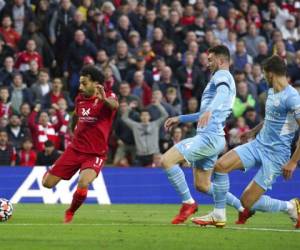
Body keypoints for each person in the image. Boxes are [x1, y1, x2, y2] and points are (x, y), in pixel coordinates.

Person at [192, 55, 300, 229]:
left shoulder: (292, 97)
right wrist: (253, 131)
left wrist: (293, 161)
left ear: (271, 73)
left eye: (265, 73)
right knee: (221, 166)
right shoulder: (272, 92)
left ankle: (290, 207)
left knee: (247, 202)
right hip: (258, 145)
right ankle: (218, 214)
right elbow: (272, 119)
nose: (264, 77)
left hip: (276, 155)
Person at [161, 45, 242, 224]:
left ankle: (188, 203)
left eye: (211, 59)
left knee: (167, 160)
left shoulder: (222, 75)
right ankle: (242, 207)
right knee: (203, 185)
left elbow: (219, 96)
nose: (207, 63)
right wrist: (180, 118)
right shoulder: (223, 79)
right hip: (215, 138)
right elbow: (204, 113)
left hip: (209, 137)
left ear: (221, 61)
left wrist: (210, 110)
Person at [42, 65, 118, 223]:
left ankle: (70, 212)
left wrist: (103, 98)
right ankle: (50, 172)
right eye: (80, 83)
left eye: (84, 83)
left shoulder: (108, 96)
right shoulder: (80, 98)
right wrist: (71, 127)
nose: (80, 86)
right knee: (47, 184)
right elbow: (76, 114)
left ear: (96, 84)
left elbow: (114, 106)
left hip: (95, 153)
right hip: (75, 149)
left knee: (83, 182)